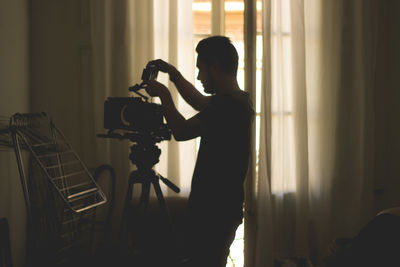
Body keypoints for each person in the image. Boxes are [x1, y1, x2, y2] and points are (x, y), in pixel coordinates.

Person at [144, 35, 254, 267]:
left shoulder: (226, 106)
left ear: (214, 67)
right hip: (224, 209)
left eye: (201, 69)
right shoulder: (239, 100)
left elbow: (182, 131)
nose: (198, 76)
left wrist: (164, 94)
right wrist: (174, 75)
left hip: (212, 212)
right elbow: (200, 102)